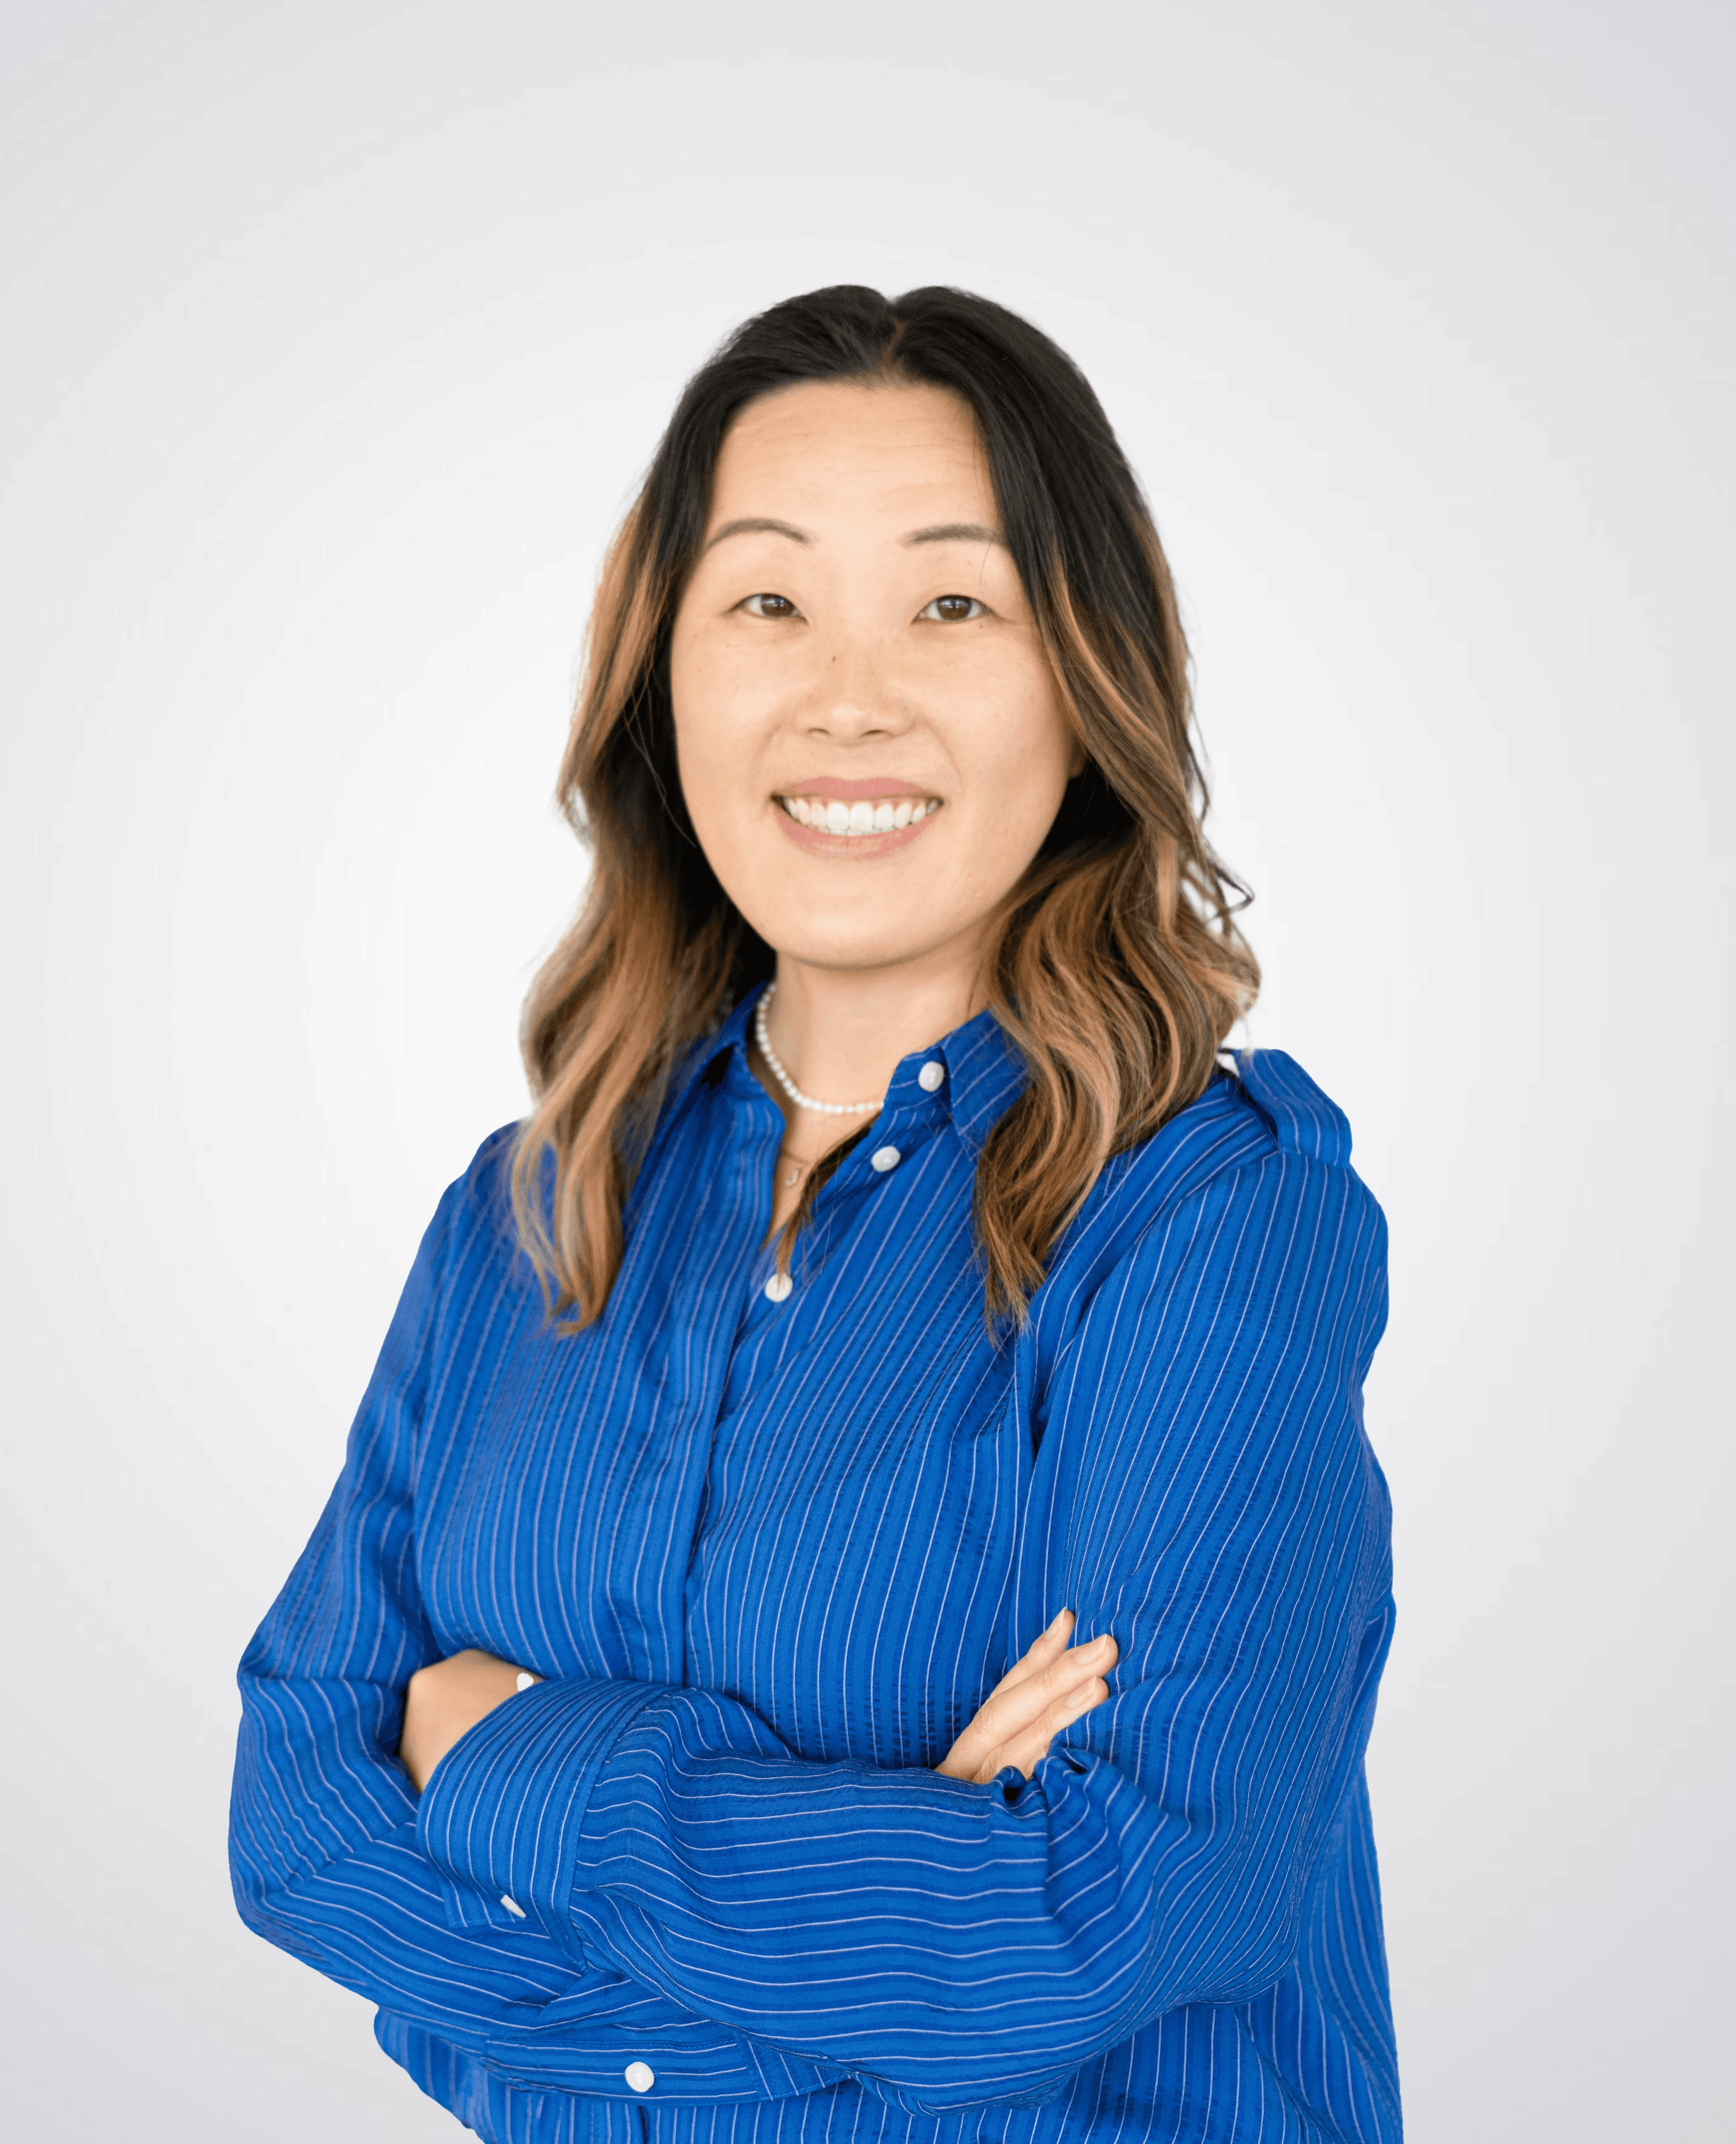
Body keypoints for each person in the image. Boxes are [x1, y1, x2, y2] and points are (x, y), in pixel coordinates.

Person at [230, 285, 1400, 2144]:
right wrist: (888, 1886)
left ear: (1079, 678)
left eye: (952, 601)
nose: (847, 693)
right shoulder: (525, 1210)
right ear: (664, 673)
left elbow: (1116, 1913)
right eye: (767, 599)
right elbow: (299, 1810)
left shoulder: (1207, 1224)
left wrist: (511, 1753)